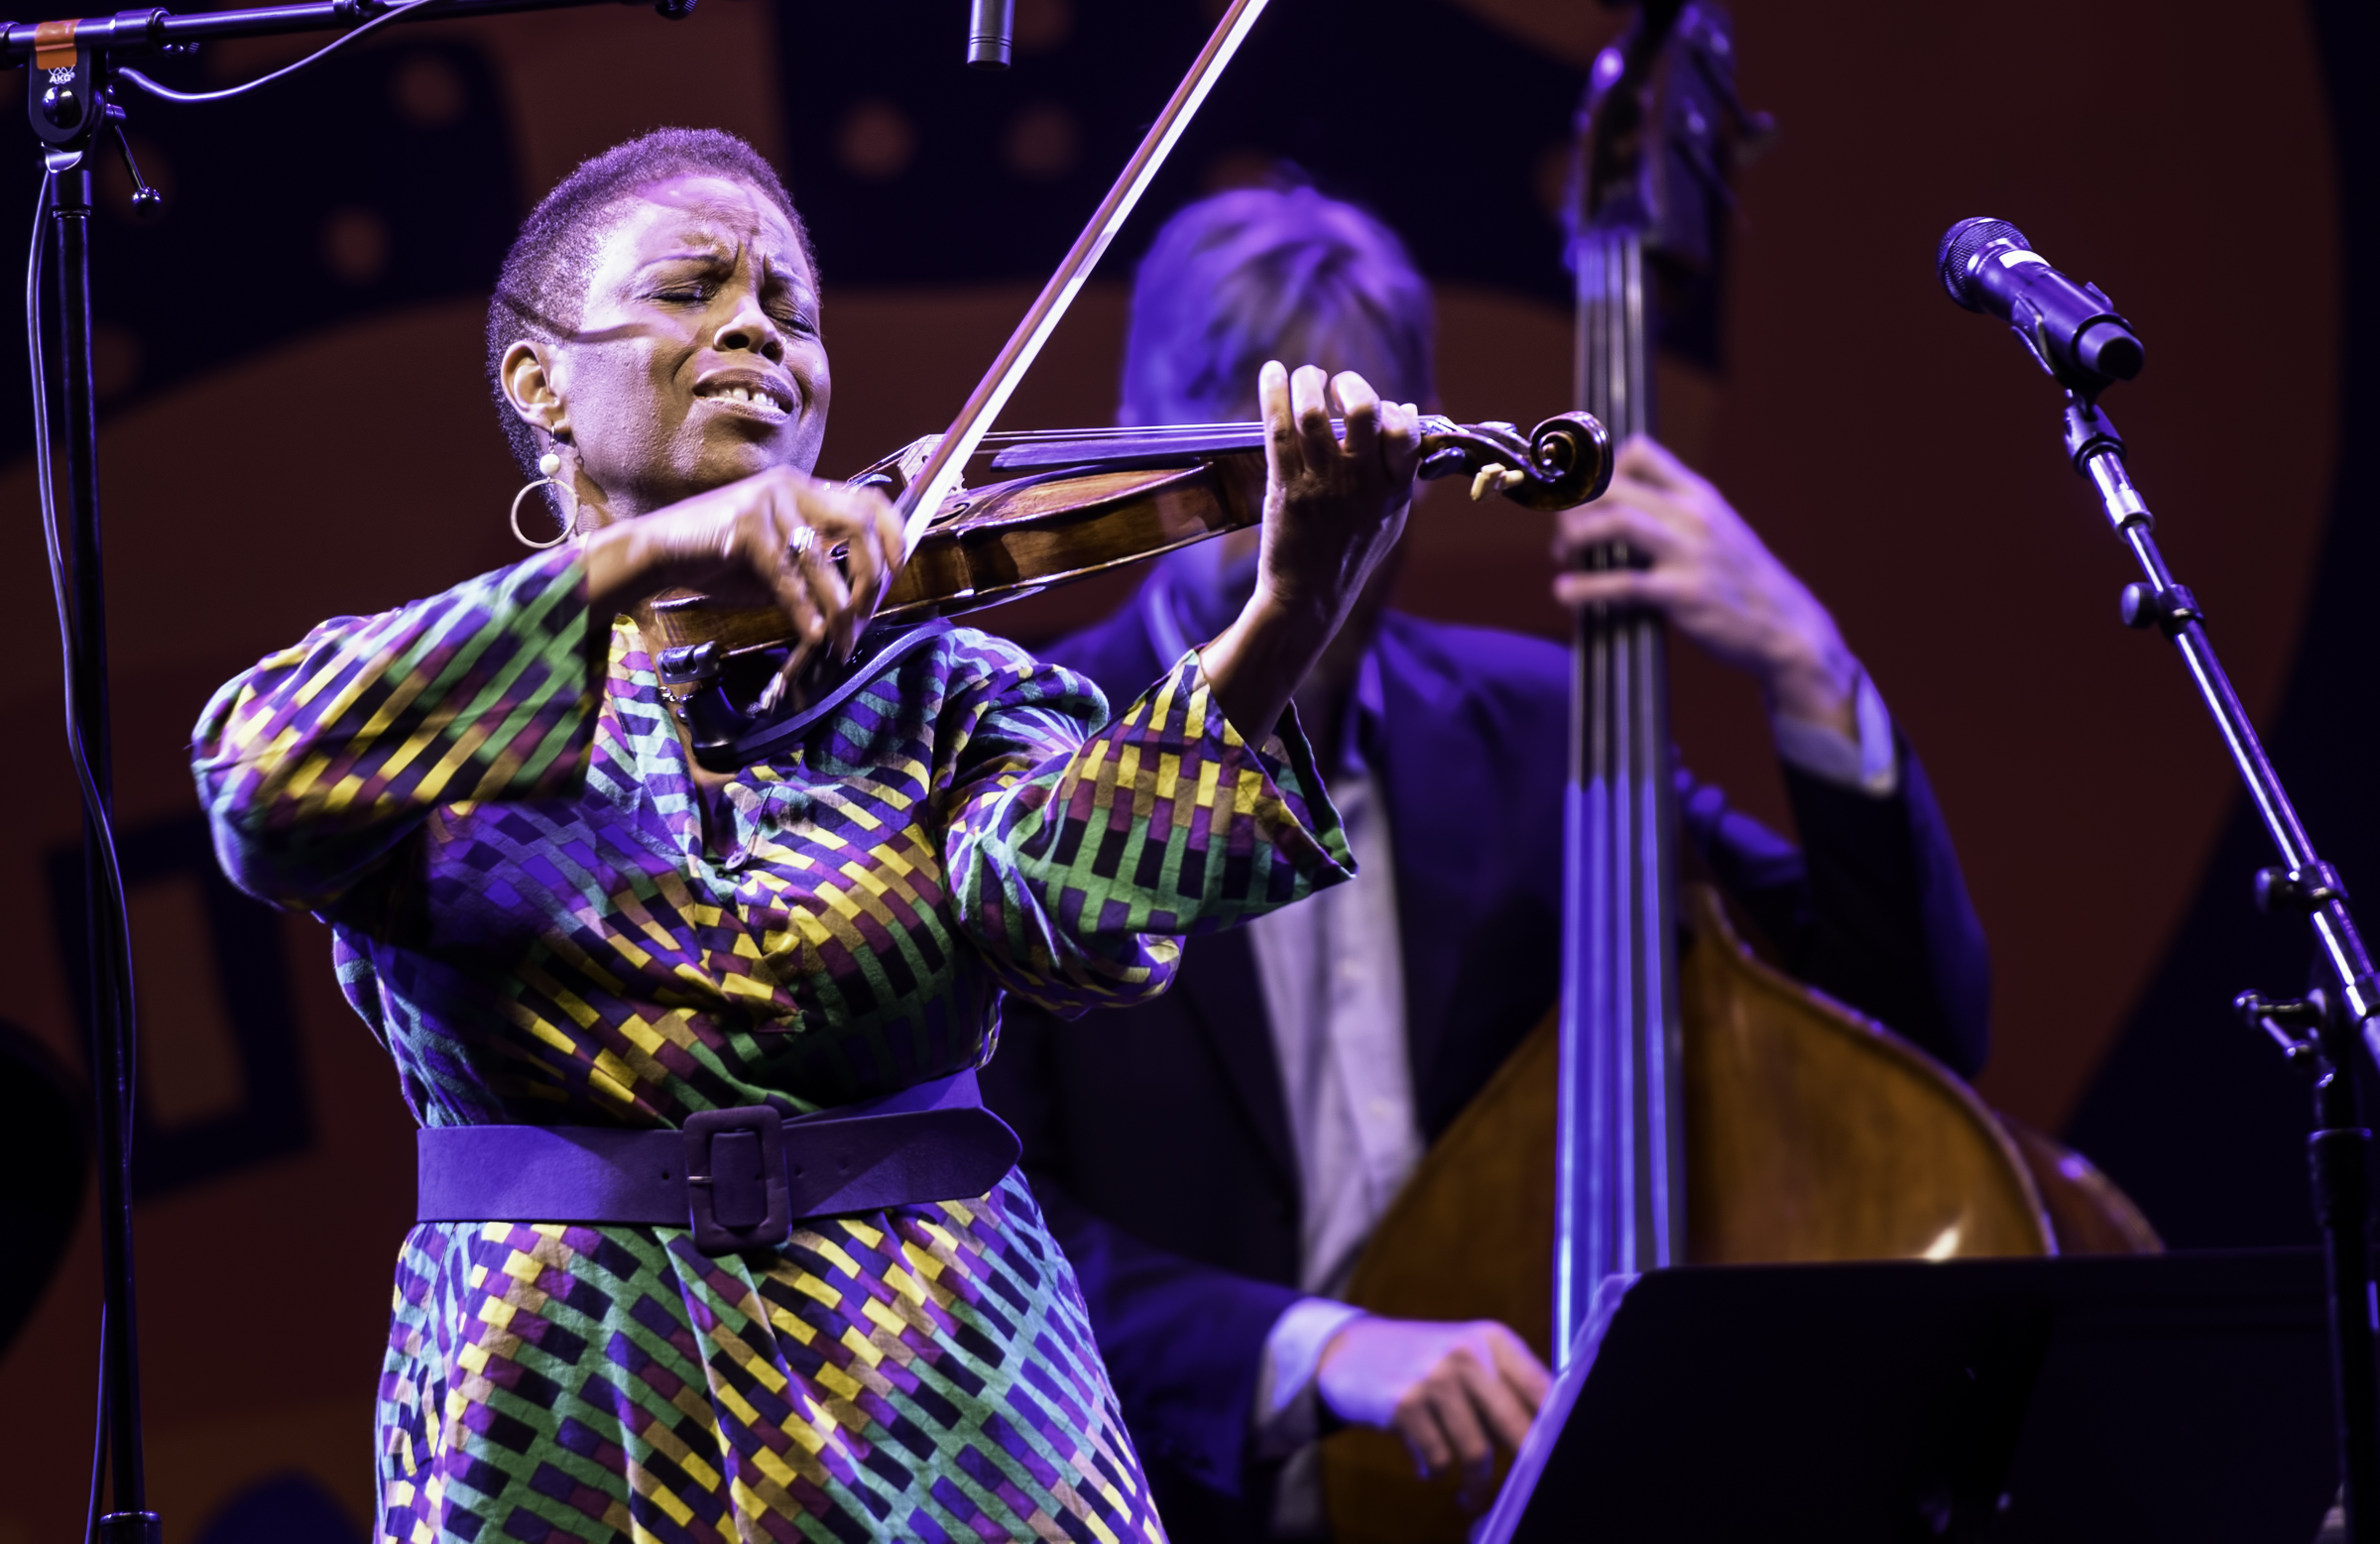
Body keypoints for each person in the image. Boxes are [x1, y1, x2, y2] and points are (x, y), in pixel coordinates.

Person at [191, 130, 1424, 1544]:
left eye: (791, 306)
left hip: (952, 1408)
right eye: (693, 287)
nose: (757, 328)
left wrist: (1283, 618)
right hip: (560, 1420)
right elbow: (263, 784)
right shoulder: (443, 694)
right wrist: (637, 563)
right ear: (541, 381)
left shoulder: (949, 687)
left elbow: (1067, 907)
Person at [977, 183, 1992, 1540]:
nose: (1275, 502)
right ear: (1128, 428)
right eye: (1223, 445)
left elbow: (1900, 1032)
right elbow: (980, 1216)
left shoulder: (1538, 731)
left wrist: (1806, 663)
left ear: (1418, 458)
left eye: (1329, 450)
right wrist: (1315, 1347)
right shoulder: (1025, 748)